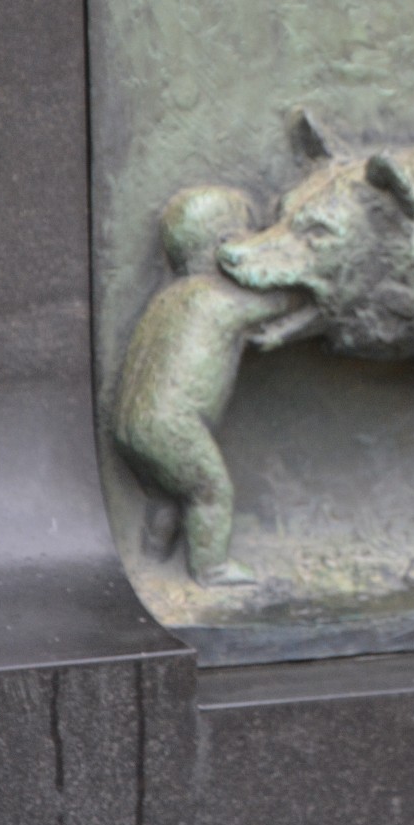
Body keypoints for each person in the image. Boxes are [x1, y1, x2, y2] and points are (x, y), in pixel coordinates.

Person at [111, 186, 297, 586]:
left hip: (131, 426)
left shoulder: (168, 298)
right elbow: (280, 304)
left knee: (170, 491)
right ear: (225, 247)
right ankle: (210, 568)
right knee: (209, 492)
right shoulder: (216, 297)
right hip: (170, 426)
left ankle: (155, 552)